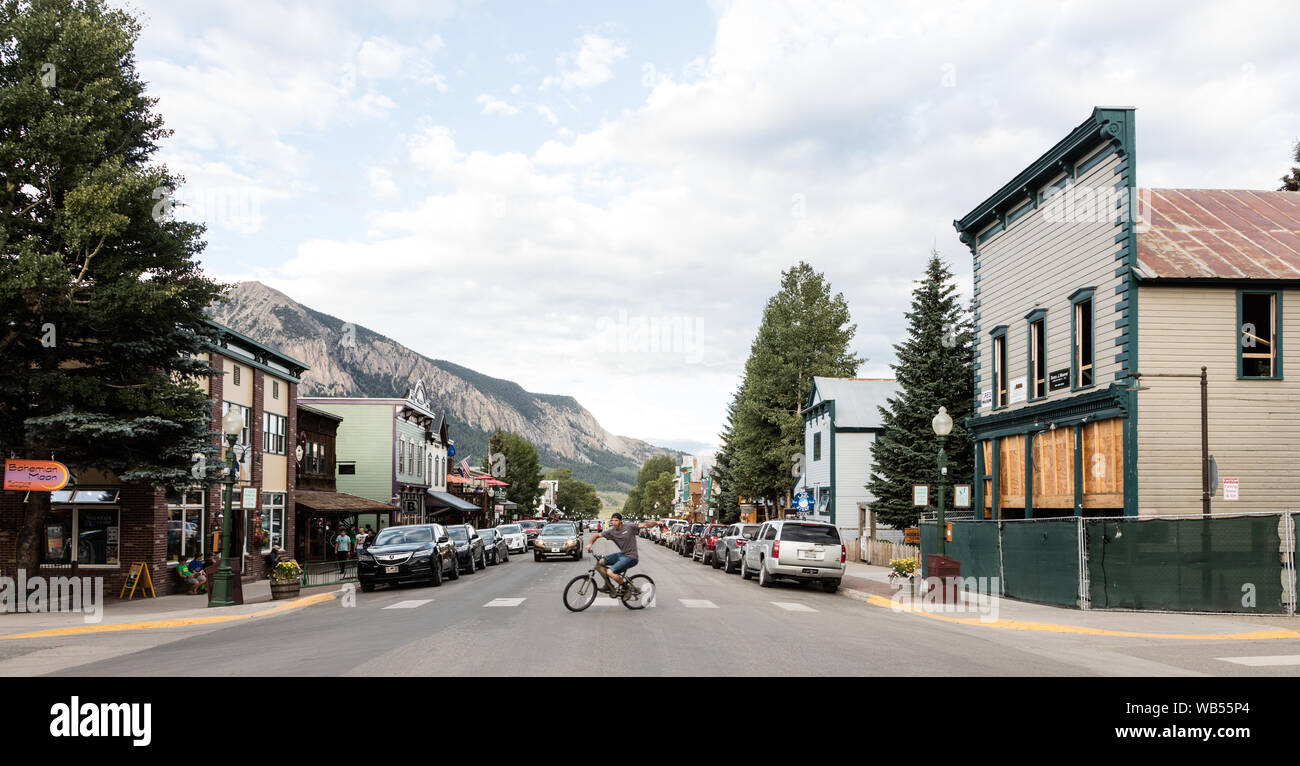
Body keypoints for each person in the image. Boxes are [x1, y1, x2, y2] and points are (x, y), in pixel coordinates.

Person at [584, 512, 657, 594]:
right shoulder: (611, 532)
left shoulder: (629, 527)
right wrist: (590, 544)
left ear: (620, 521)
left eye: (616, 520)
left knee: (610, 572)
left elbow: (646, 525)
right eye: (612, 521)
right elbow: (597, 535)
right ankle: (608, 586)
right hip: (622, 555)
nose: (614, 522)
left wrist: (657, 522)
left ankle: (627, 589)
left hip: (631, 557)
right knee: (600, 562)